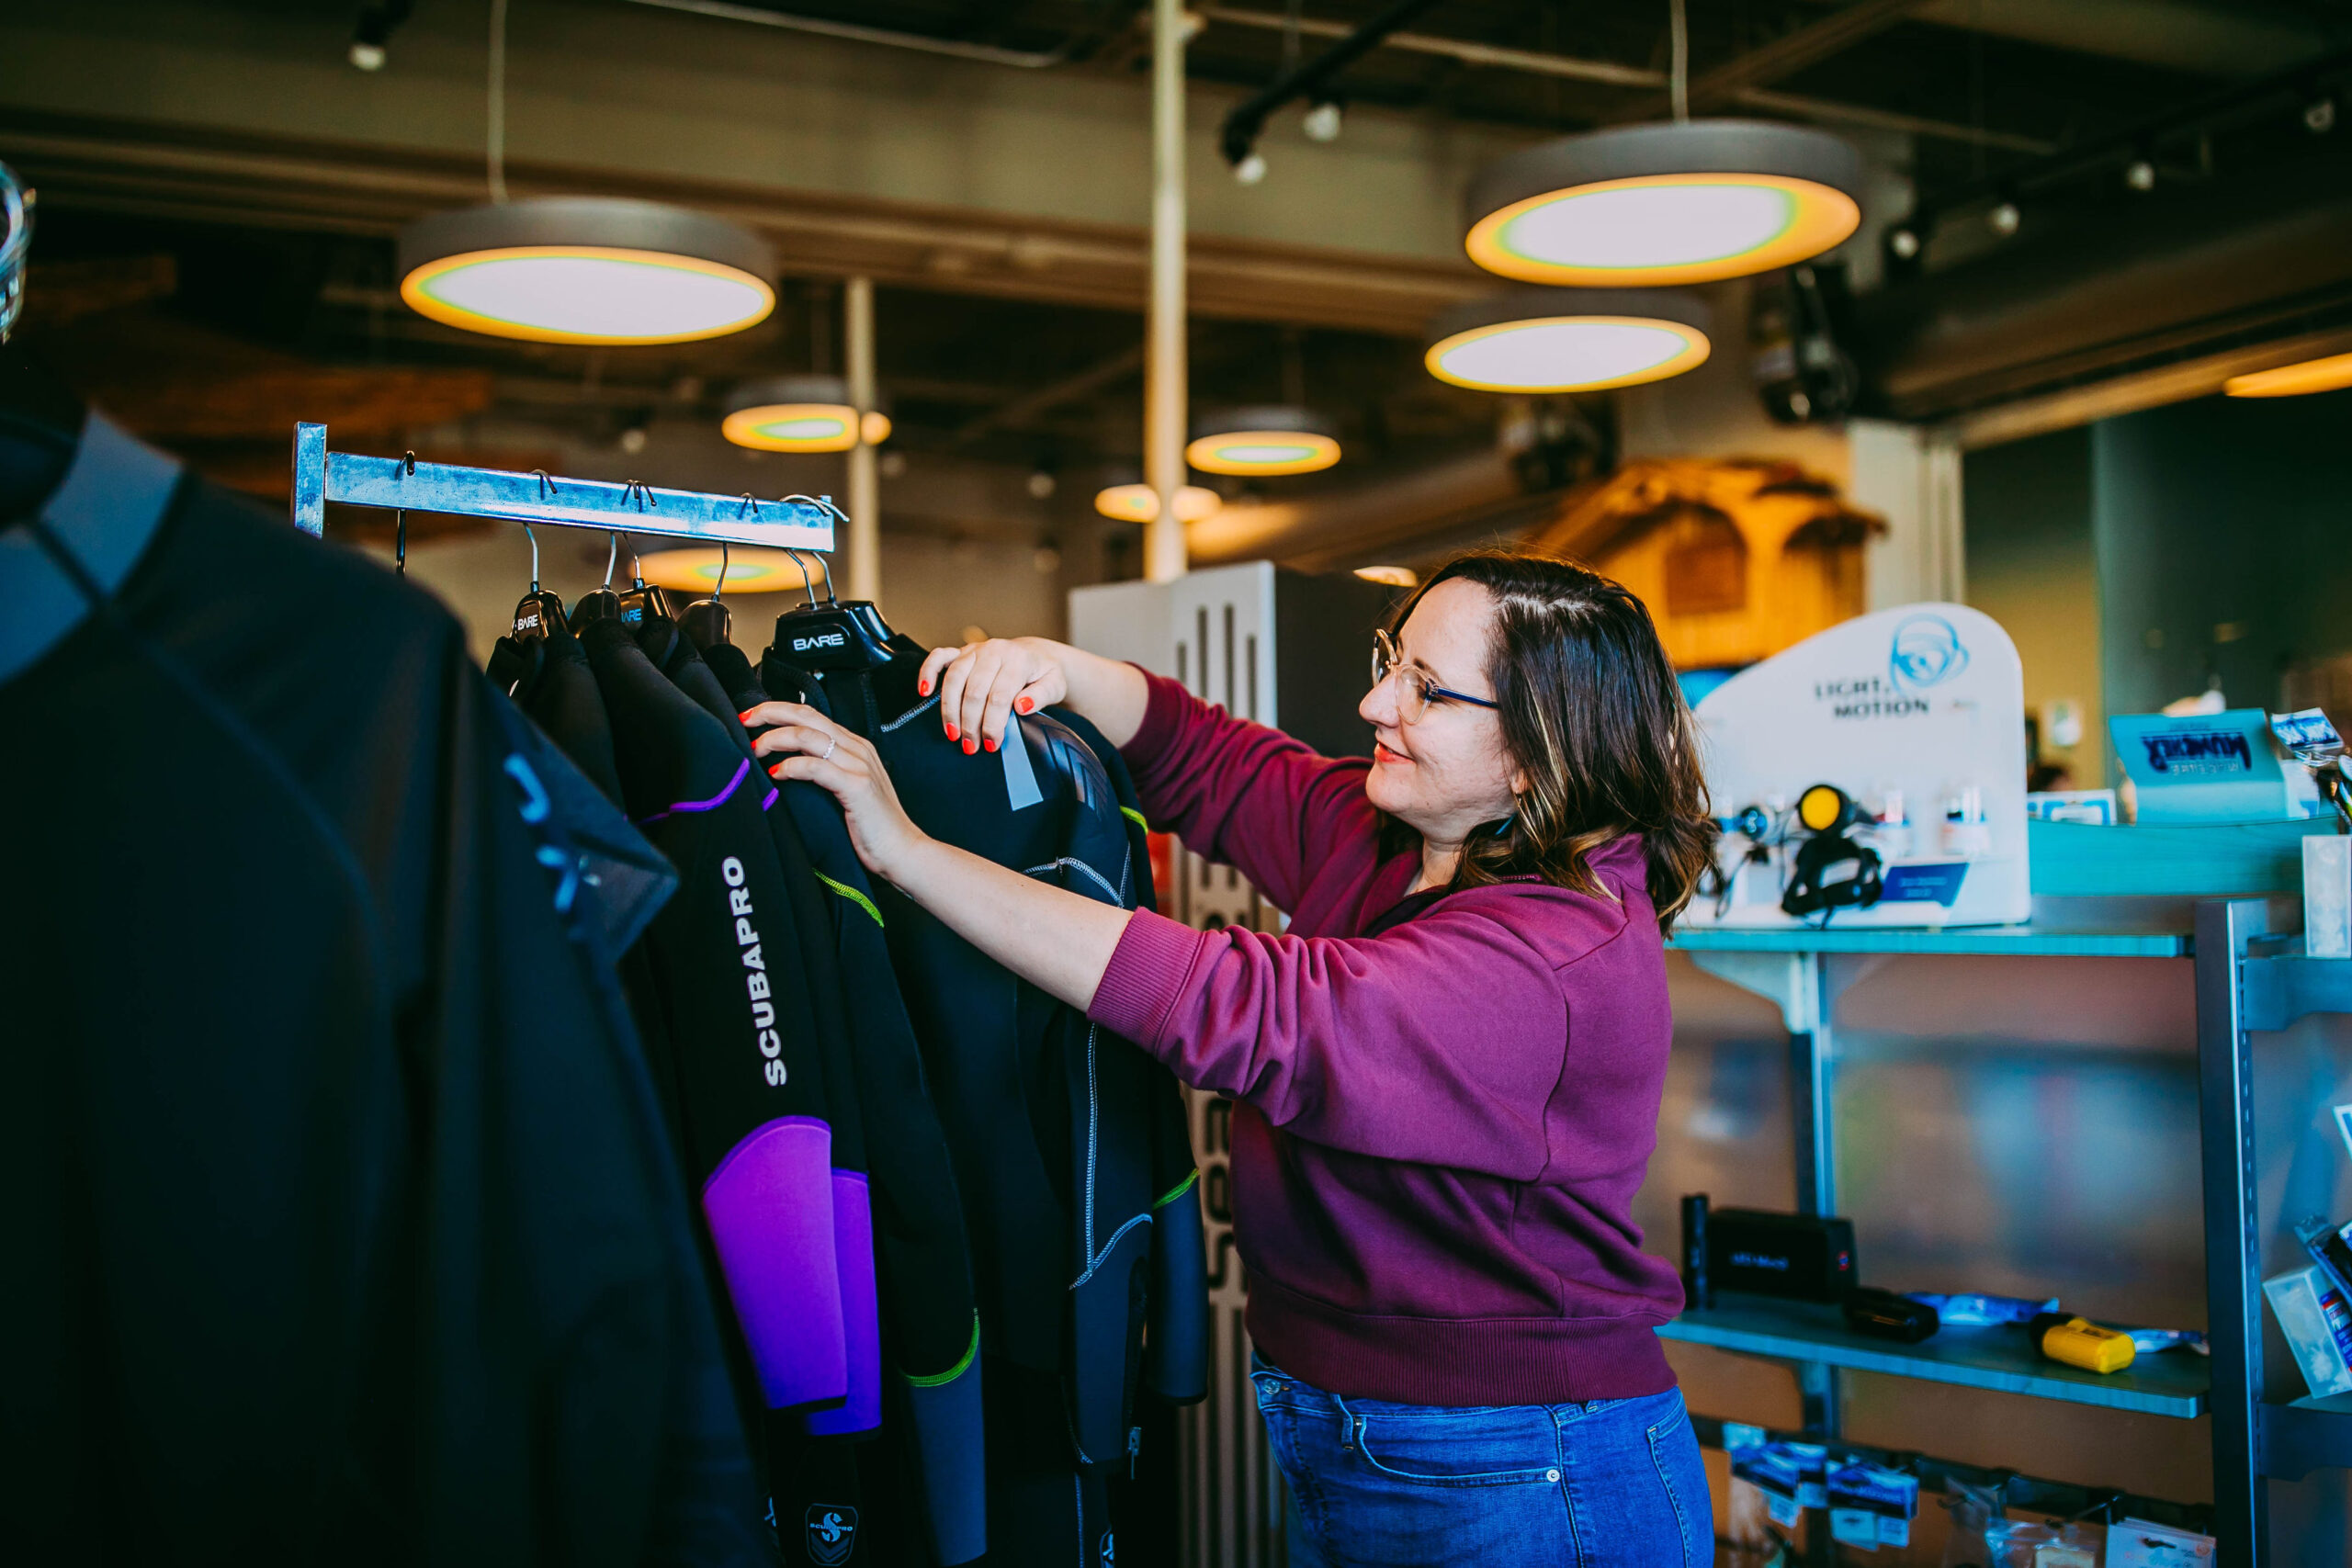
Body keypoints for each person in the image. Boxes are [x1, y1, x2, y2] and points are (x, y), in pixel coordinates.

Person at [741, 550, 1720, 1568]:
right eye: (1392, 657)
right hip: (1360, 1424)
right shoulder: (1394, 833)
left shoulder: (1551, 959)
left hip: (1518, 1459)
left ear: (1534, 753)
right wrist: (1055, 669)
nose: (1373, 699)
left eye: (1425, 689)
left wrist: (905, 853)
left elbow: (1230, 1003)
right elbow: (1207, 757)